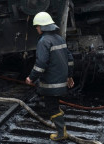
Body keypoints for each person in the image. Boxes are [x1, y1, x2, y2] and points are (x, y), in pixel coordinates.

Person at [25, 12, 74, 141]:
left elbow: (41, 63)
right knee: (55, 104)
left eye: (37, 26)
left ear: (42, 27)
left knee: (51, 107)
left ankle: (61, 133)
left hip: (51, 83)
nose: (36, 29)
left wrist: (31, 77)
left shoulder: (44, 41)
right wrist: (70, 76)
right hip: (61, 82)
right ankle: (61, 128)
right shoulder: (59, 38)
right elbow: (70, 59)